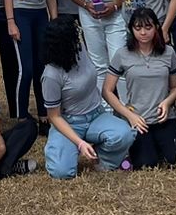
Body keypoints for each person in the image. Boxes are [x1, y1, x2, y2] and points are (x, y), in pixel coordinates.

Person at [41, 16, 133, 179]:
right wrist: (80, 143)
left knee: (124, 134)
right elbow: (54, 116)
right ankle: (61, 149)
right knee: (61, 172)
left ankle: (104, 158)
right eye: (75, 36)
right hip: (69, 121)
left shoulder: (80, 49)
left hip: (96, 114)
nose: (79, 38)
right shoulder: (51, 75)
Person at [103, 7, 176, 169]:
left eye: (148, 27)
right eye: (138, 28)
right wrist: (129, 115)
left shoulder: (168, 52)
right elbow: (107, 91)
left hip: (164, 118)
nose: (143, 32)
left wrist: (167, 103)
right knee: (146, 164)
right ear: (131, 29)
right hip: (139, 120)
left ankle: (161, 145)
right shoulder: (122, 54)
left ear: (156, 27)